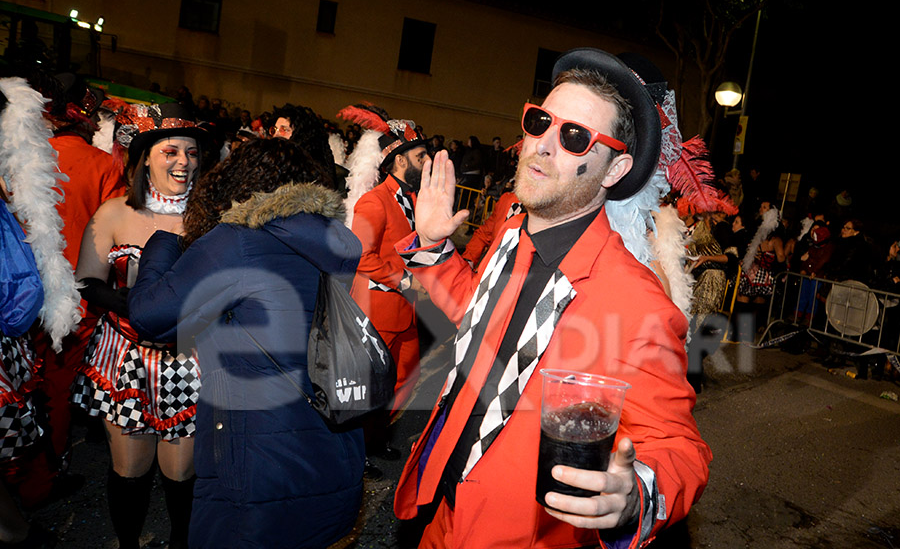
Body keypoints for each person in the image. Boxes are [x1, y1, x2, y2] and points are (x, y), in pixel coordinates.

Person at [392, 48, 710, 548]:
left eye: (575, 137)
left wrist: (634, 499)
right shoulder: (513, 232)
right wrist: (433, 246)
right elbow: (481, 321)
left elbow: (678, 446)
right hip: (441, 513)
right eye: (541, 122)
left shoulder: (637, 301)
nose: (541, 145)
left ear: (613, 169)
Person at [128, 135, 365, 549]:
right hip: (331, 455)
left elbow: (151, 317)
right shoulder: (330, 243)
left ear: (235, 185)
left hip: (256, 473)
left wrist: (163, 242)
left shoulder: (237, 241)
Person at [70, 103, 210, 549]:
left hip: (188, 360)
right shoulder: (114, 213)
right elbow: (87, 282)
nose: (183, 161)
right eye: (171, 151)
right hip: (124, 357)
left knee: (181, 474)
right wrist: (132, 306)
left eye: (191, 152)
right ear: (145, 156)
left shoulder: (212, 218)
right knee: (130, 471)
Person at [10, 73, 126, 511]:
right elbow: (117, 241)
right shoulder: (102, 165)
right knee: (56, 387)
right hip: (72, 297)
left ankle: (15, 474)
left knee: (17, 381)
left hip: (17, 294)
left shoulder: (18, 156)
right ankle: (41, 481)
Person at [338, 103, 428, 423]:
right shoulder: (374, 201)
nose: (426, 162)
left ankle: (375, 436)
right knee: (366, 385)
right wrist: (404, 280)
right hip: (376, 310)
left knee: (406, 377)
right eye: (421, 157)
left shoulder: (417, 200)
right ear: (400, 160)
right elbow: (361, 256)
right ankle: (358, 447)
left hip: (407, 310)